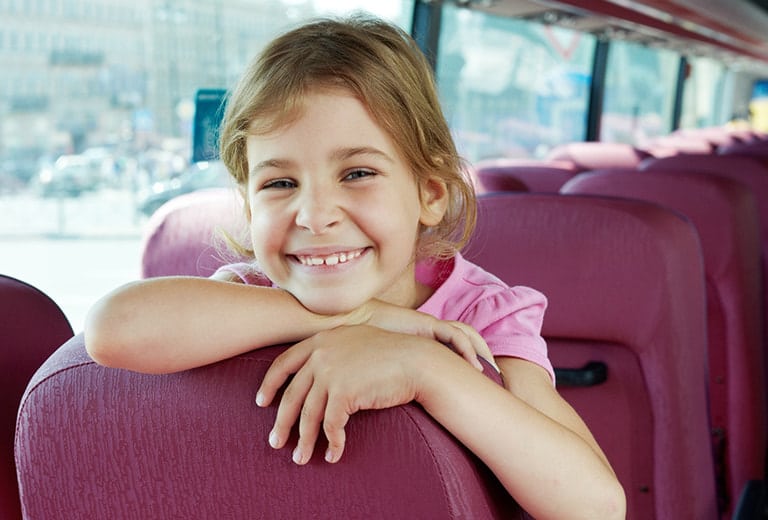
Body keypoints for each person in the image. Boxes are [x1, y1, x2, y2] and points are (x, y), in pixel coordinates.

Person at [85, 15, 625, 519]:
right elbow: (113, 329)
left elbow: (596, 506)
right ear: (251, 210)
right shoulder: (253, 294)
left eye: (357, 173)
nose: (316, 216)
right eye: (279, 184)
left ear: (430, 193)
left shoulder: (484, 315)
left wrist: (427, 369)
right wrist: (358, 320)